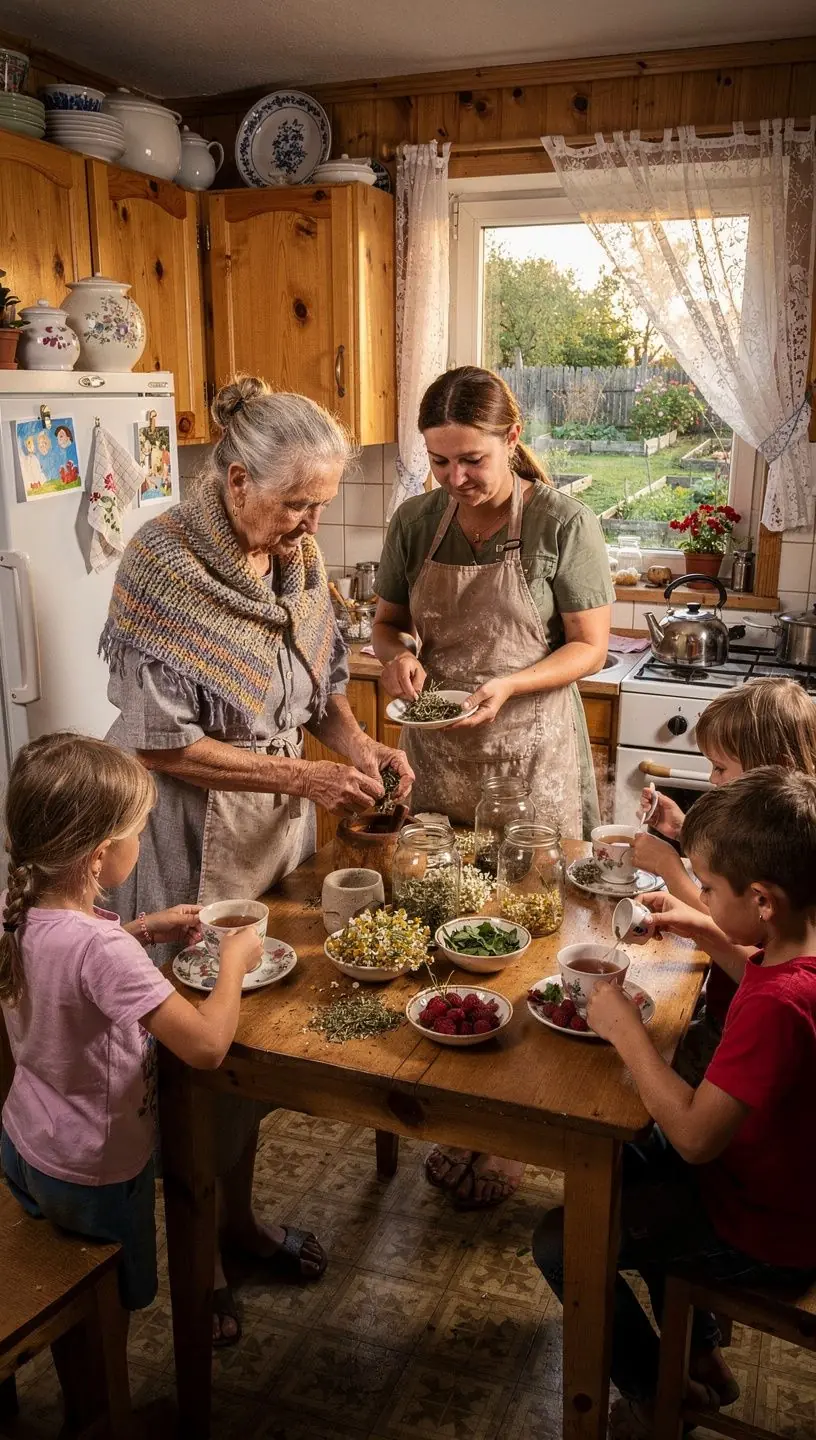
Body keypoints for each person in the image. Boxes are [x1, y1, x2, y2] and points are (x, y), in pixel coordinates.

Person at [101, 375, 414, 1343]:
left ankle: (234, 1224)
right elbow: (159, 746)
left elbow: (316, 688)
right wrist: (308, 784)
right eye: (295, 503)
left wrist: (355, 749)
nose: (310, 523)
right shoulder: (159, 566)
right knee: (199, 1059)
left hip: (274, 829)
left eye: (319, 503)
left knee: (262, 1040)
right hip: (194, 844)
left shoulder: (297, 561)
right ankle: (200, 1262)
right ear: (236, 481)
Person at [373, 365, 613, 1210]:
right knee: (444, 924)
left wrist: (510, 684)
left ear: (512, 438)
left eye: (470, 459)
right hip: (439, 756)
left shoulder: (559, 521)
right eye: (440, 462)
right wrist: (394, 655)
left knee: (524, 935)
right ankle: (449, 1105)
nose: (455, 479)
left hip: (530, 754)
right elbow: (387, 619)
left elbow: (591, 647)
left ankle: (507, 1132)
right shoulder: (415, 520)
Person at [534, 767, 816, 1440]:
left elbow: (693, 1137)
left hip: (766, 1230)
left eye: (710, 889)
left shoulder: (779, 1009)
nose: (704, 895)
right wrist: (712, 932)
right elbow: (764, 976)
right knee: (616, 1151)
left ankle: (657, 1389)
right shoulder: (796, 955)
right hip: (773, 1184)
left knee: (560, 1243)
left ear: (764, 900)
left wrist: (627, 1033)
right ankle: (697, 1356)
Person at [0, 734, 262, 1428]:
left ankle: (80, 1386)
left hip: (26, 1147)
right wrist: (235, 961)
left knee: (65, 1270)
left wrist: (144, 929)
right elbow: (206, 1046)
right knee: (107, 1298)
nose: (141, 843)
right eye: (138, 832)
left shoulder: (18, 904)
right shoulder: (101, 951)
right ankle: (103, 1415)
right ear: (98, 859)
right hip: (96, 1170)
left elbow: (73, 971)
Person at [634, 678, 816, 1079]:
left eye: (720, 767)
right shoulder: (795, 830)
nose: (713, 780)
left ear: (773, 767)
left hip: (740, 1030)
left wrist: (670, 866)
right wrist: (684, 833)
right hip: (728, 1004)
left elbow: (737, 925)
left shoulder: (791, 864)